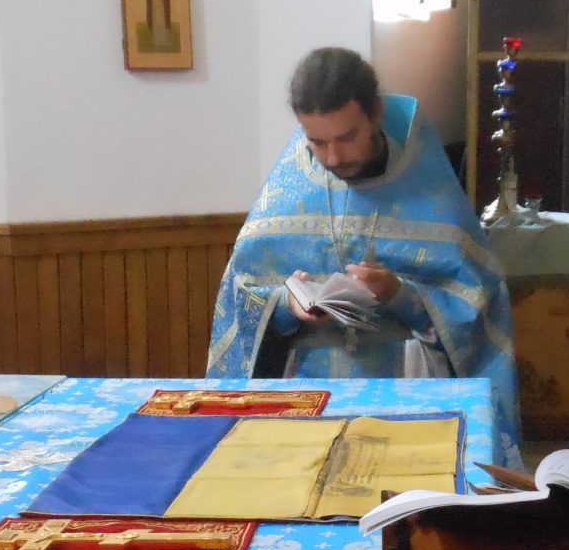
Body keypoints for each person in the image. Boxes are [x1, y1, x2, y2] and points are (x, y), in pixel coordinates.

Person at [208, 47, 522, 463]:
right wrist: (285, 303)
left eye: (346, 137)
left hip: (405, 388)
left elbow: (477, 303)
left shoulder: (430, 191)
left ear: (375, 114)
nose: (333, 157)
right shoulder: (287, 193)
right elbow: (241, 294)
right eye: (316, 142)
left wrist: (401, 295)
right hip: (304, 393)